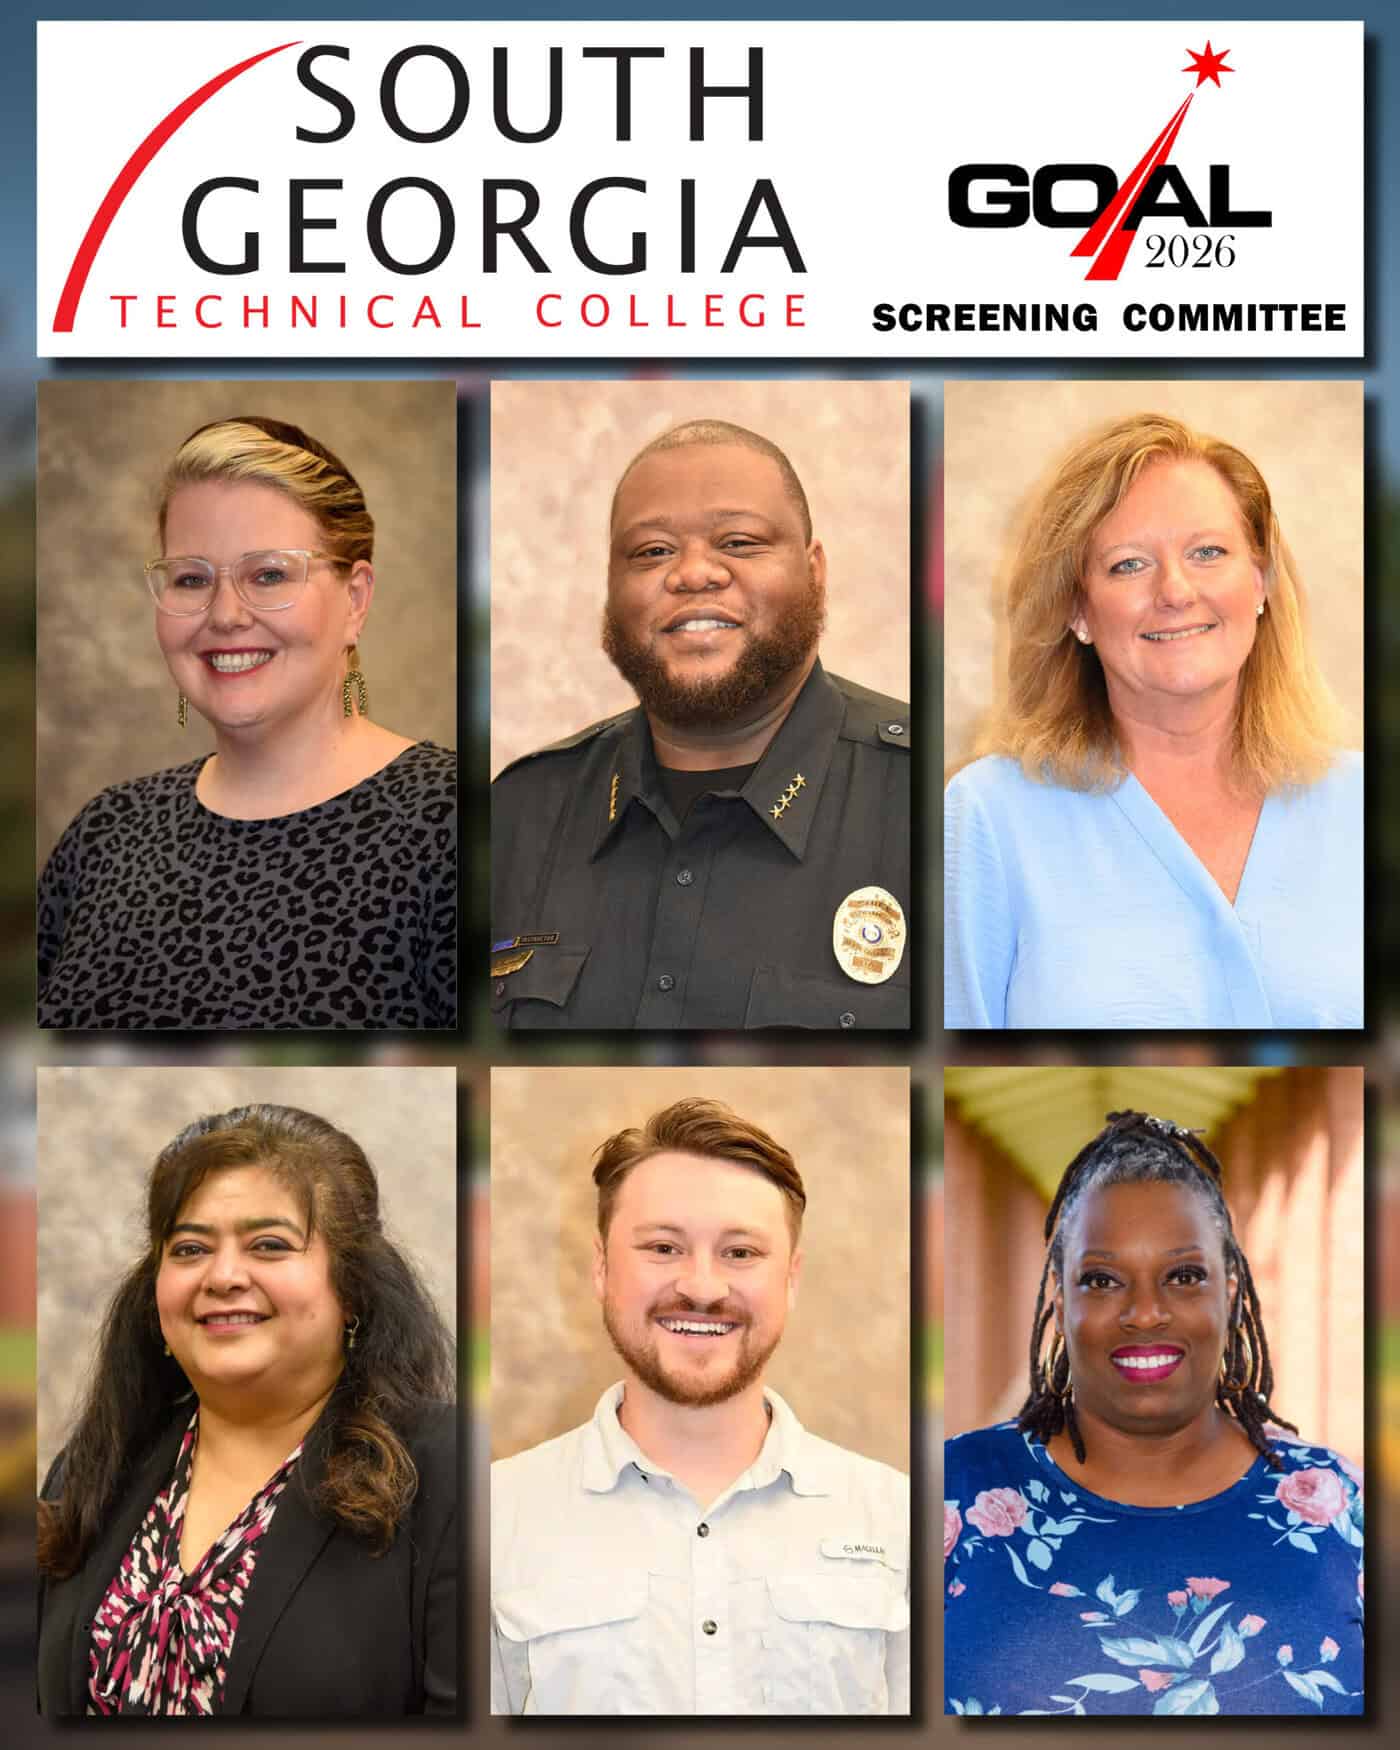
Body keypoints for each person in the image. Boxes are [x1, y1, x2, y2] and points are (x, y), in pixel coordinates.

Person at [491, 1097, 909, 1715]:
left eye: (740, 1253)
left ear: (790, 1279)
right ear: (602, 1269)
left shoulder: (901, 1520)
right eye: (663, 1247)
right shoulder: (492, 1517)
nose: (703, 1287)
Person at [37, 1104, 458, 1717]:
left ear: (353, 1287)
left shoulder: (445, 1473)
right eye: (189, 1249)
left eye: (269, 1244)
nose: (223, 1275)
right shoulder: (95, 1468)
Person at [944, 413, 1361, 1029]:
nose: (1175, 590)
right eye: (1128, 565)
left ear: (1260, 581)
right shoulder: (987, 817)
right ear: (1077, 611)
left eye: (1208, 552)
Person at [38, 416, 456, 1029]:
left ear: (356, 599)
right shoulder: (105, 833)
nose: (226, 615)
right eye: (191, 579)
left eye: (269, 575)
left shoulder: (453, 823)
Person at [491, 419, 910, 1030]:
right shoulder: (518, 813)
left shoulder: (929, 802)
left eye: (738, 542)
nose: (693, 573)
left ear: (814, 572)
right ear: (611, 589)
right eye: (653, 551)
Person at [944, 1111, 1363, 1718]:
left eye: (1184, 1276)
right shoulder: (951, 1494)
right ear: (1060, 1304)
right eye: (1104, 1279)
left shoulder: (1338, 1508)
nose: (1145, 1313)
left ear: (1231, 1294)